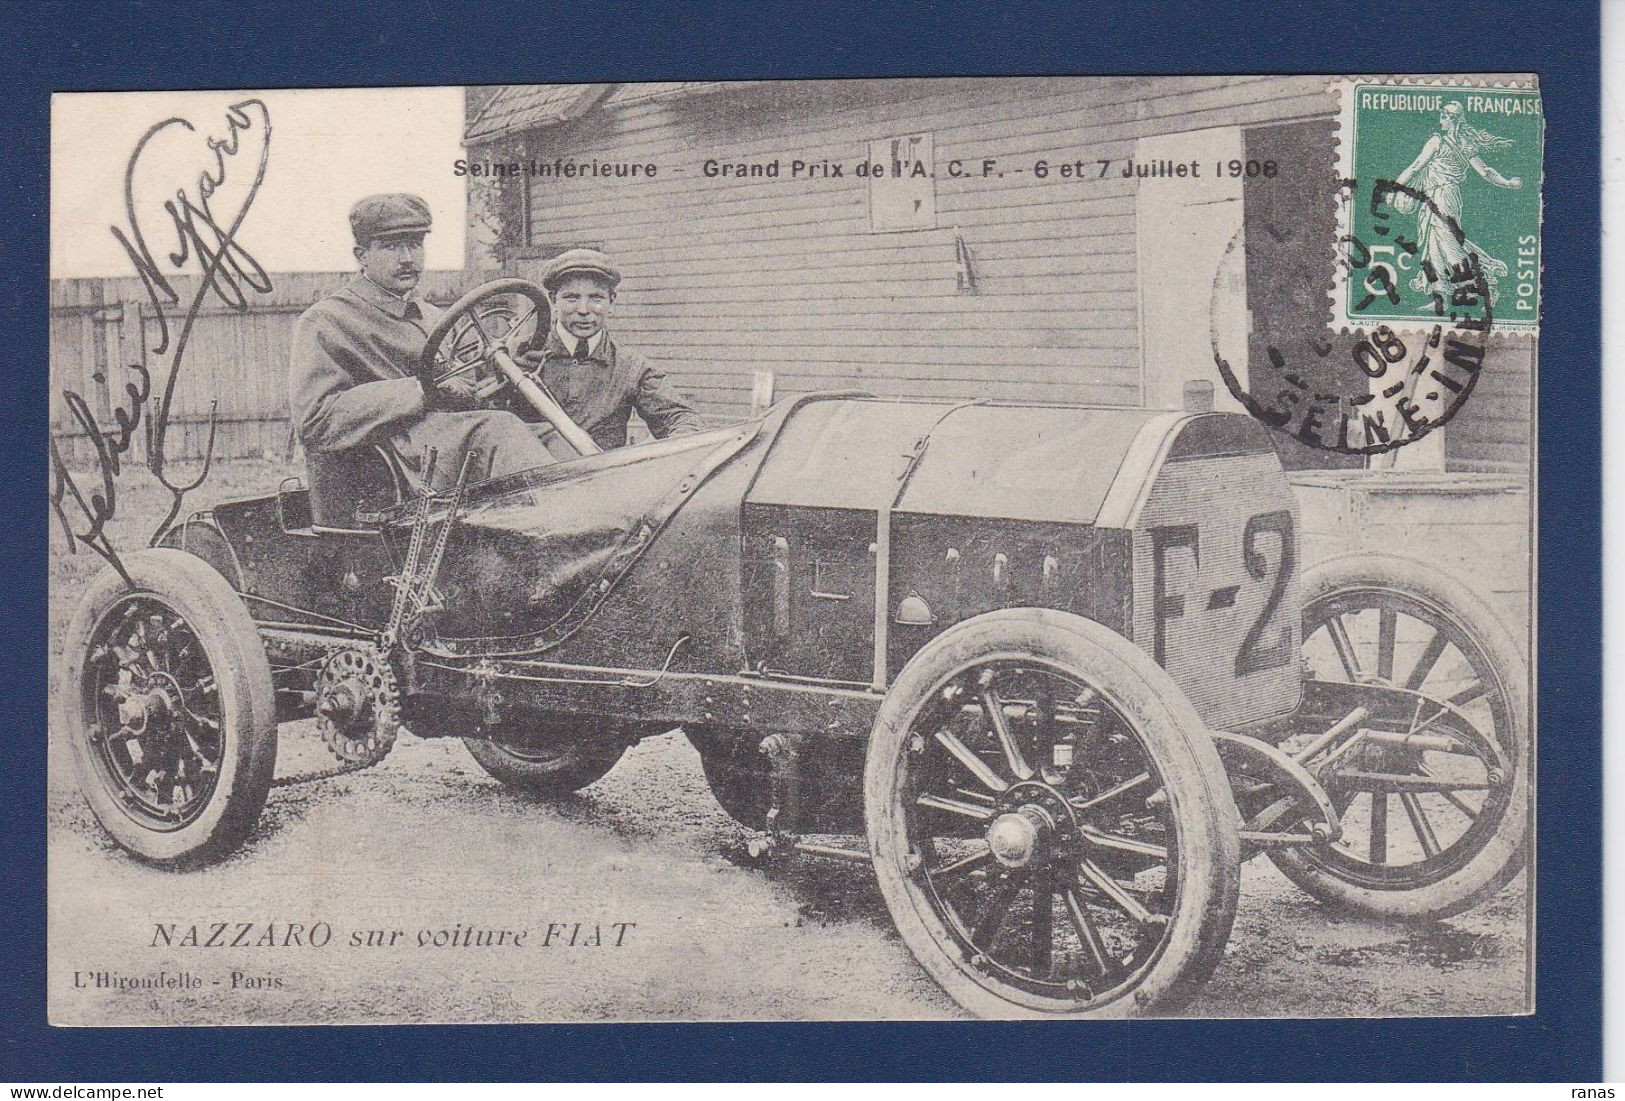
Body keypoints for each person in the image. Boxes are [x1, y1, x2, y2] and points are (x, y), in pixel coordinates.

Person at [289, 194, 555, 497]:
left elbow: (469, 387)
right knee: (499, 431)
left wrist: (504, 373)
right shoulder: (326, 321)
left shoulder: (435, 317)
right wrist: (420, 390)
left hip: (455, 443)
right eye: (390, 246)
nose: (407, 258)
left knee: (553, 437)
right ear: (361, 255)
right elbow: (315, 420)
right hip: (400, 463)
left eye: (415, 244)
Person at [513, 248, 703, 451]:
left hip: (603, 478)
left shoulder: (631, 366)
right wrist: (507, 383)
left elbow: (680, 418)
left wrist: (679, 442)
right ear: (553, 300)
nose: (584, 309)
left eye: (596, 298)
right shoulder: (516, 356)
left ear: (611, 302)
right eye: (571, 298)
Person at [1393, 101, 1523, 304]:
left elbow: (1415, 167)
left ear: (1452, 120)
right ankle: (1441, 294)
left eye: (1443, 117)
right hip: (1439, 197)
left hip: (1443, 197)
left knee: (1448, 243)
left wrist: (1394, 188)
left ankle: (1484, 287)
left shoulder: (1438, 141)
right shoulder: (1465, 145)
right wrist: (1507, 183)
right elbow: (1486, 172)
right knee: (1433, 244)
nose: (1440, 121)